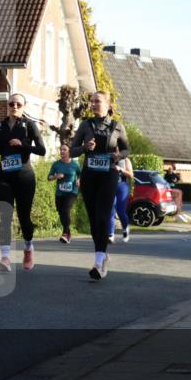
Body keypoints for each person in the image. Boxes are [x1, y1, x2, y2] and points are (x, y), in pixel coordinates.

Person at [70, 91, 129, 281]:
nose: (94, 104)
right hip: (89, 175)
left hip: (109, 174)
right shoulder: (85, 125)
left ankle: (98, 262)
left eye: (98, 101)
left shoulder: (117, 126)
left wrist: (119, 155)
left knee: (103, 216)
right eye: (92, 101)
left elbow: (126, 149)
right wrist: (85, 148)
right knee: (94, 219)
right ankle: (102, 255)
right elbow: (72, 150)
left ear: (108, 104)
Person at [0, 93, 46, 271]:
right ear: (7, 105)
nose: (14, 107)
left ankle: (28, 247)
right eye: (11, 104)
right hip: (4, 176)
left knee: (24, 217)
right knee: (5, 215)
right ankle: (5, 257)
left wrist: (23, 145)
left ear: (24, 107)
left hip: (24, 176)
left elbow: (42, 150)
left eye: (18, 104)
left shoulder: (29, 125)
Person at [48, 143, 80, 244]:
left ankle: (65, 233)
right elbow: (49, 177)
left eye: (64, 150)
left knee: (66, 210)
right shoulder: (56, 164)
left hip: (72, 192)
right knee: (61, 212)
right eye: (61, 150)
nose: (62, 151)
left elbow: (80, 174)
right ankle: (68, 232)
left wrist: (79, 180)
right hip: (59, 193)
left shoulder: (75, 164)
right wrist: (55, 176)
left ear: (69, 152)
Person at [109, 156, 133, 243]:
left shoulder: (126, 160)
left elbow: (131, 175)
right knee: (110, 210)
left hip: (122, 186)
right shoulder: (108, 158)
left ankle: (125, 228)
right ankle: (111, 234)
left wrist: (121, 169)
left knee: (121, 211)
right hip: (110, 186)